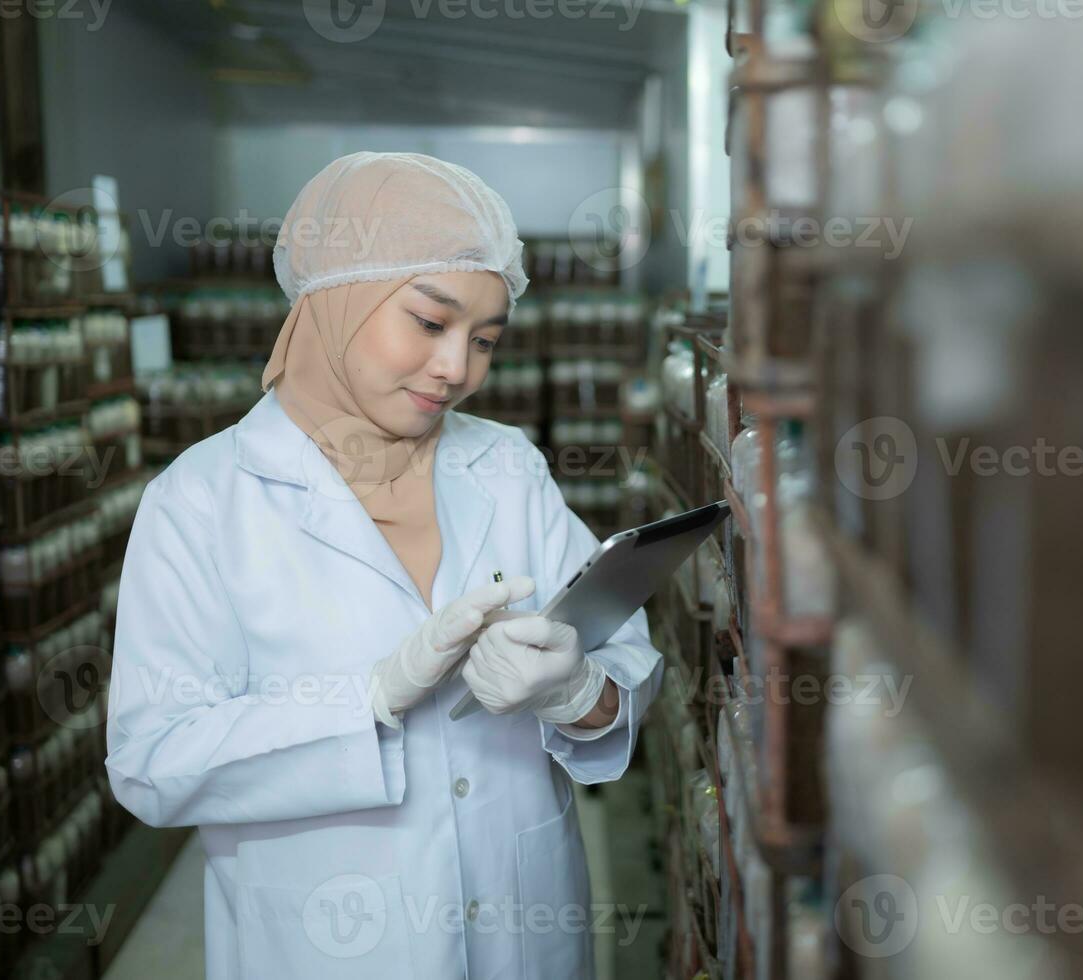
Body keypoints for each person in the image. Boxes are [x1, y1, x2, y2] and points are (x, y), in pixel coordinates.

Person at [104, 152, 664, 979]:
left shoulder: (505, 465)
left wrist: (579, 693)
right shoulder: (201, 502)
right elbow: (155, 764)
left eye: (484, 340)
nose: (457, 368)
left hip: (525, 936)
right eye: (430, 323)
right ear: (338, 298)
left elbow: (627, 659)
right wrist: (366, 700)